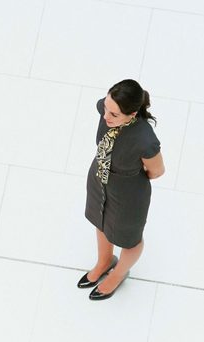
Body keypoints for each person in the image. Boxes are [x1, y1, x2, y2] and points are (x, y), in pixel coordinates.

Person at [79, 79, 164, 300]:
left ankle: (118, 274)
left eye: (114, 114)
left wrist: (128, 178)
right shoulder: (106, 109)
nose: (106, 116)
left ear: (133, 113)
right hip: (99, 178)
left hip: (128, 194)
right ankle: (104, 261)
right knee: (100, 220)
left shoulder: (145, 139)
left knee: (130, 239)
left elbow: (156, 171)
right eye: (106, 108)